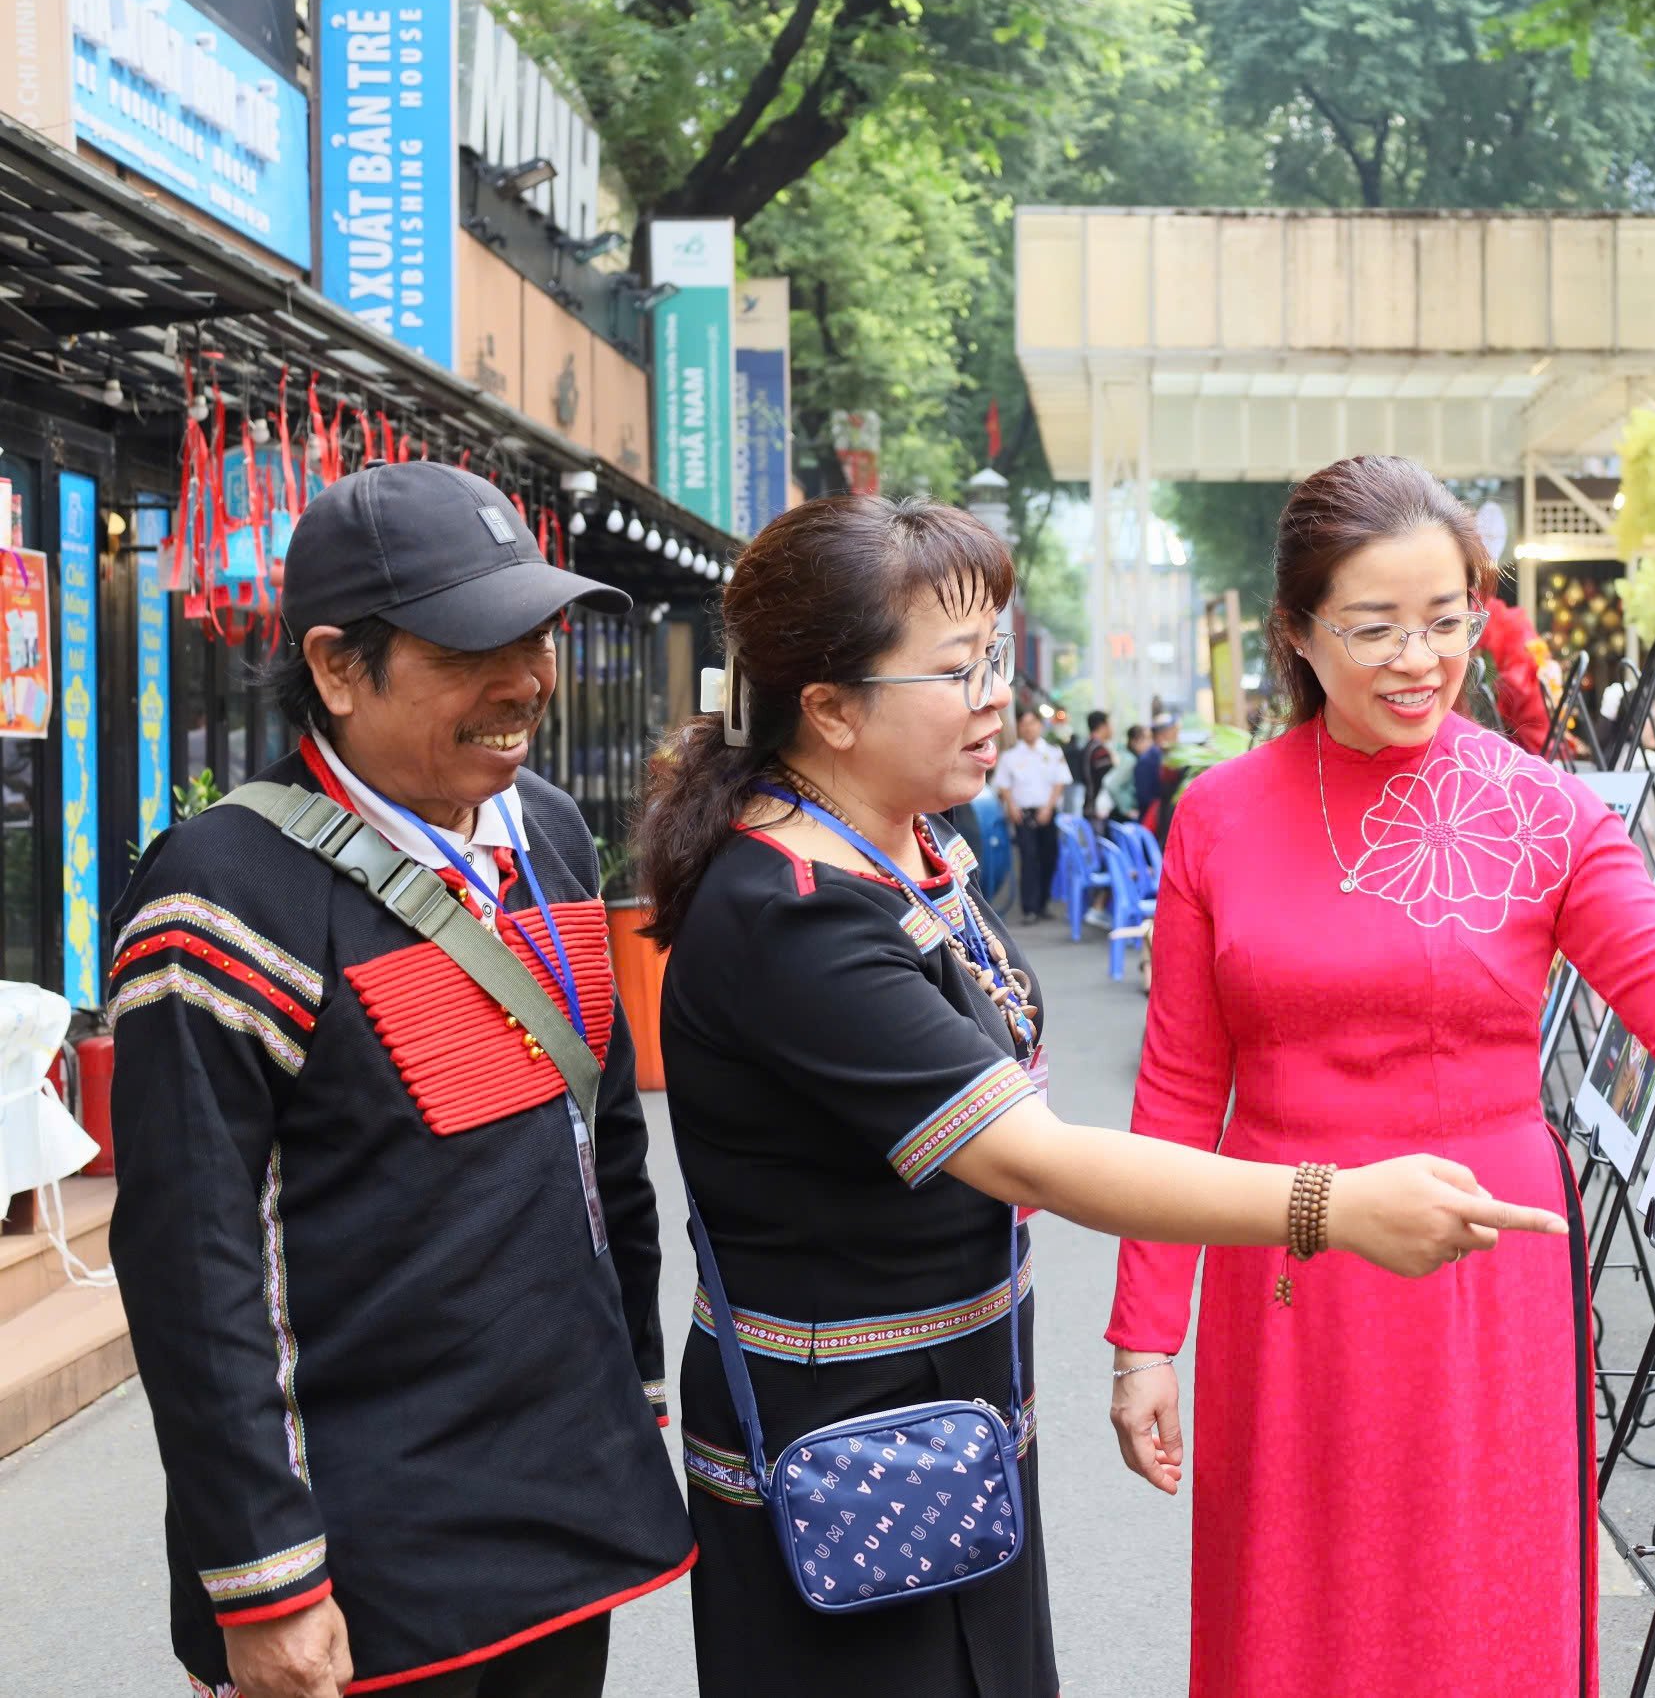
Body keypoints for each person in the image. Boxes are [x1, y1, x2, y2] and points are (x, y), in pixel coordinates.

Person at [633, 494, 1570, 1698]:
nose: (995, 699)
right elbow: (1035, 1159)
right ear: (829, 708)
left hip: (938, 1422)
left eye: (996, 661)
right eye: (959, 669)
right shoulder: (793, 916)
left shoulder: (900, 849)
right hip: (848, 1446)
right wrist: (1325, 1207)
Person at [1105, 455, 1655, 1698]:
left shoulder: (1544, 809)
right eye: (1373, 628)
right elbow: (1175, 1095)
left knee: (1475, 1612)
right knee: (1294, 1606)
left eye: (1446, 621)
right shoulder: (1218, 815)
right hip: (1285, 1264)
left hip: (1483, 1264)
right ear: (1296, 634)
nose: (1419, 659)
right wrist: (1143, 1339)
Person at [107, 462, 693, 1698]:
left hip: (557, 1511)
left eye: (538, 634)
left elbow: (607, 1151)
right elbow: (195, 1266)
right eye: (474, 646)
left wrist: (628, 1398)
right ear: (334, 666)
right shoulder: (219, 899)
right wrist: (264, 1573)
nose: (526, 681)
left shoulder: (549, 834)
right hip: (365, 1556)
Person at [992, 707, 1070, 922]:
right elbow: (1004, 785)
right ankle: (1029, 908)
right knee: (1028, 858)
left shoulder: (1053, 752)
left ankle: (1043, 903)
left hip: (1047, 811)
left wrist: (1048, 808)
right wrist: (1012, 806)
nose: (1028, 728)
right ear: (1019, 728)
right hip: (1022, 814)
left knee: (1049, 857)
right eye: (1024, 724)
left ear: (1040, 725)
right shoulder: (1010, 756)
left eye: (1032, 723)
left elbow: (1059, 782)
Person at [1070, 709, 1115, 819]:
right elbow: (1108, 782)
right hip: (1099, 810)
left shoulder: (1087, 747)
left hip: (1089, 805)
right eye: (1110, 725)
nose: (1112, 729)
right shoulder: (1100, 751)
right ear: (1103, 726)